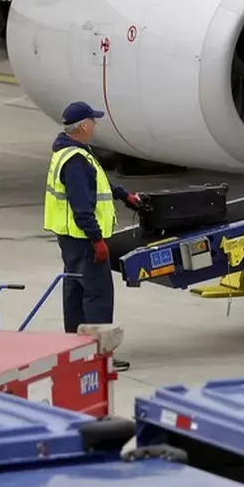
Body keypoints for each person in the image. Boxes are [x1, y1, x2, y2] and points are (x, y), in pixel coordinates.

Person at [43, 101, 142, 371]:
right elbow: (81, 205)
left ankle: (75, 349)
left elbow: (97, 182)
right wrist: (97, 239)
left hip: (70, 239)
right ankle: (98, 356)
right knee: (97, 295)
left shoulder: (70, 151)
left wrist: (123, 195)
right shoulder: (75, 159)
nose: (96, 125)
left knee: (75, 292)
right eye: (93, 121)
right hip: (84, 240)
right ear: (84, 125)